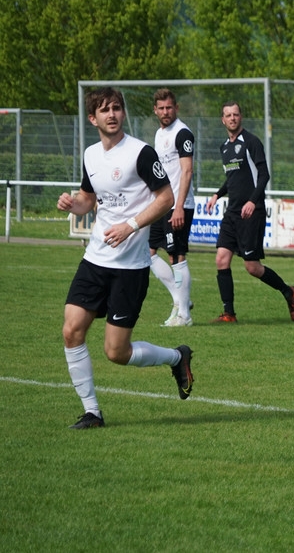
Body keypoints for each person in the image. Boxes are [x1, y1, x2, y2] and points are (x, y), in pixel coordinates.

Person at [56, 87, 193, 429]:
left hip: (130, 267)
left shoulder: (141, 153)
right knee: (72, 330)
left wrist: (130, 226)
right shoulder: (90, 155)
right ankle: (92, 412)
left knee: (117, 352)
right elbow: (88, 199)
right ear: (93, 119)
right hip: (95, 259)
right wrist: (73, 204)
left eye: (116, 108)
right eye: (104, 110)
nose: (112, 114)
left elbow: (166, 198)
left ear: (123, 113)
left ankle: (177, 357)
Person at [206, 101, 294, 323]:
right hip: (232, 213)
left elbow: (264, 175)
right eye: (228, 115)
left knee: (252, 267)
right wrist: (217, 194)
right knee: (221, 259)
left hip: (251, 212)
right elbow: (233, 178)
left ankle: (288, 292)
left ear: (241, 117)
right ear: (222, 120)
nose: (232, 118)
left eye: (235, 114)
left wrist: (252, 201)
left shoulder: (251, 142)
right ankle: (229, 314)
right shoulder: (224, 147)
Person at [149, 89, 196, 327]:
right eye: (161, 108)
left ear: (176, 108)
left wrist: (179, 207)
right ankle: (180, 300)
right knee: (148, 252)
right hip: (162, 204)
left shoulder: (182, 133)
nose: (165, 112)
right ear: (155, 110)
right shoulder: (159, 134)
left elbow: (187, 171)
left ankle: (184, 315)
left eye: (169, 107)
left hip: (179, 205)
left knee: (177, 257)